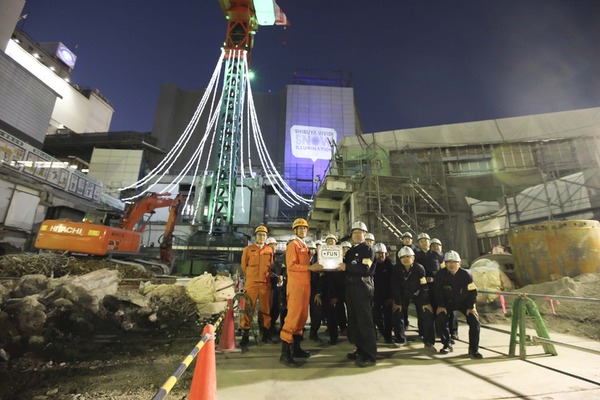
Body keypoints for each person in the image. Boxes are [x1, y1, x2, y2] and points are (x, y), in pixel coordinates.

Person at [279, 218, 320, 367]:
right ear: (295, 230)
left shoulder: (303, 245)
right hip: (296, 286)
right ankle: (285, 354)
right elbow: (291, 265)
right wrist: (309, 267)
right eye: (300, 228)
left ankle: (296, 348)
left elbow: (302, 263)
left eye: (305, 228)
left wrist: (309, 258)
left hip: (305, 285)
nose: (303, 230)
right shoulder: (293, 245)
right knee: (293, 318)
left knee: (302, 318)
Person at [340, 221, 377, 367]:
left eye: (359, 232)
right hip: (350, 287)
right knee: (354, 321)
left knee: (365, 321)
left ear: (364, 234)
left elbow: (365, 269)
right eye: (354, 232)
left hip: (362, 287)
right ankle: (360, 349)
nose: (356, 235)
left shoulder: (368, 250)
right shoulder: (350, 251)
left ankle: (369, 355)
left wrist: (347, 266)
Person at [434, 250, 483, 359]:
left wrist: (471, 307)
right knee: (440, 319)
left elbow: (472, 292)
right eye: (448, 262)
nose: (451, 264)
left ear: (459, 263)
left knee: (475, 322)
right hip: (447, 303)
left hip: (464, 303)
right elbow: (437, 292)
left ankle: (473, 349)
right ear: (445, 263)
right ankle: (447, 344)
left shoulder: (466, 275)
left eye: (454, 262)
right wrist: (441, 305)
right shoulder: (440, 275)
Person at [391, 246, 436, 351]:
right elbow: (394, 286)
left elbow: (424, 286)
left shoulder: (419, 268)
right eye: (403, 257)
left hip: (418, 294)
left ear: (413, 257)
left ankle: (428, 341)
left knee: (427, 313)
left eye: (408, 256)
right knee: (398, 312)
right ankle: (400, 339)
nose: (406, 259)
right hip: (402, 295)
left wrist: (425, 302)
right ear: (399, 258)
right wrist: (397, 302)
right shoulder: (396, 269)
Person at [240, 225, 275, 348]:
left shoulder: (269, 251)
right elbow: (244, 267)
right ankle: (245, 334)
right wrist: (251, 278)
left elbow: (271, 267)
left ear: (267, 237)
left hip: (265, 284)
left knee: (265, 309)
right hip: (252, 284)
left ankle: (266, 334)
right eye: (260, 235)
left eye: (264, 235)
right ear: (256, 236)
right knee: (248, 308)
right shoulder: (248, 250)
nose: (262, 237)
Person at [320, 233, 347, 344]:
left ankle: (343, 330)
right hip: (327, 291)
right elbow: (322, 278)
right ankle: (333, 336)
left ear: (336, 242)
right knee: (330, 315)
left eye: (332, 240)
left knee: (340, 312)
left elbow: (341, 279)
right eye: (328, 241)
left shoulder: (341, 258)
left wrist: (337, 296)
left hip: (338, 291)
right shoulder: (322, 257)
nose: (330, 242)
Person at [372, 243, 395, 345]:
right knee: (376, 316)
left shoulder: (390, 265)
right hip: (375, 296)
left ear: (386, 254)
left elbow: (394, 282)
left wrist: (391, 297)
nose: (380, 255)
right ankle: (382, 332)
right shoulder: (372, 265)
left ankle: (388, 336)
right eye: (378, 253)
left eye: (382, 253)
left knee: (388, 317)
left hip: (387, 296)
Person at [266, 237, 283, 339]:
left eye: (275, 245)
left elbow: (282, 268)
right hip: (269, 286)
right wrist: (277, 276)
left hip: (277, 287)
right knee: (268, 308)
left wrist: (281, 275)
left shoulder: (277, 258)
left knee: (276, 308)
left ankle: (272, 327)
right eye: (271, 245)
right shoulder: (264, 257)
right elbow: (266, 271)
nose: (273, 247)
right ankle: (267, 331)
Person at [307, 241, 324, 343]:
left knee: (316, 312)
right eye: (309, 249)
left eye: (313, 249)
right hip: (302, 290)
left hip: (314, 291)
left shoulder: (318, 261)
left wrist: (318, 293)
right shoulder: (302, 260)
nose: (311, 251)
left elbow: (321, 279)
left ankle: (313, 333)